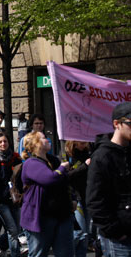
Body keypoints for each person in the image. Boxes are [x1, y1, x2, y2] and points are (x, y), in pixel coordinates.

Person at [87, 102, 131, 256]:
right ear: (116, 124)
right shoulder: (102, 156)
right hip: (118, 240)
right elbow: (95, 201)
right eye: (130, 123)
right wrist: (115, 230)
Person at [20, 131, 73, 256]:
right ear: (36, 144)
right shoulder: (31, 163)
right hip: (41, 217)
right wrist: (62, 168)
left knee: (65, 253)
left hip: (62, 215)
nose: (47, 140)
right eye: (43, 138)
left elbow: (65, 182)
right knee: (39, 253)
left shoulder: (54, 160)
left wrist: (73, 199)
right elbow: (49, 179)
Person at [0, 132, 23, 257]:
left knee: (16, 229)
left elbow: (21, 178)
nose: (3, 144)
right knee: (12, 230)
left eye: (5, 141)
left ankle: (1, 244)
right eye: (0, 142)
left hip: (14, 198)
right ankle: (15, 254)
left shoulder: (15, 157)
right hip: (0, 200)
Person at [65, 140, 91, 257]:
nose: (84, 145)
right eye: (81, 143)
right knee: (81, 232)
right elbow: (68, 176)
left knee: (86, 234)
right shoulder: (68, 155)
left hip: (88, 196)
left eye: (85, 143)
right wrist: (85, 166)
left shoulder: (89, 152)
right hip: (76, 197)